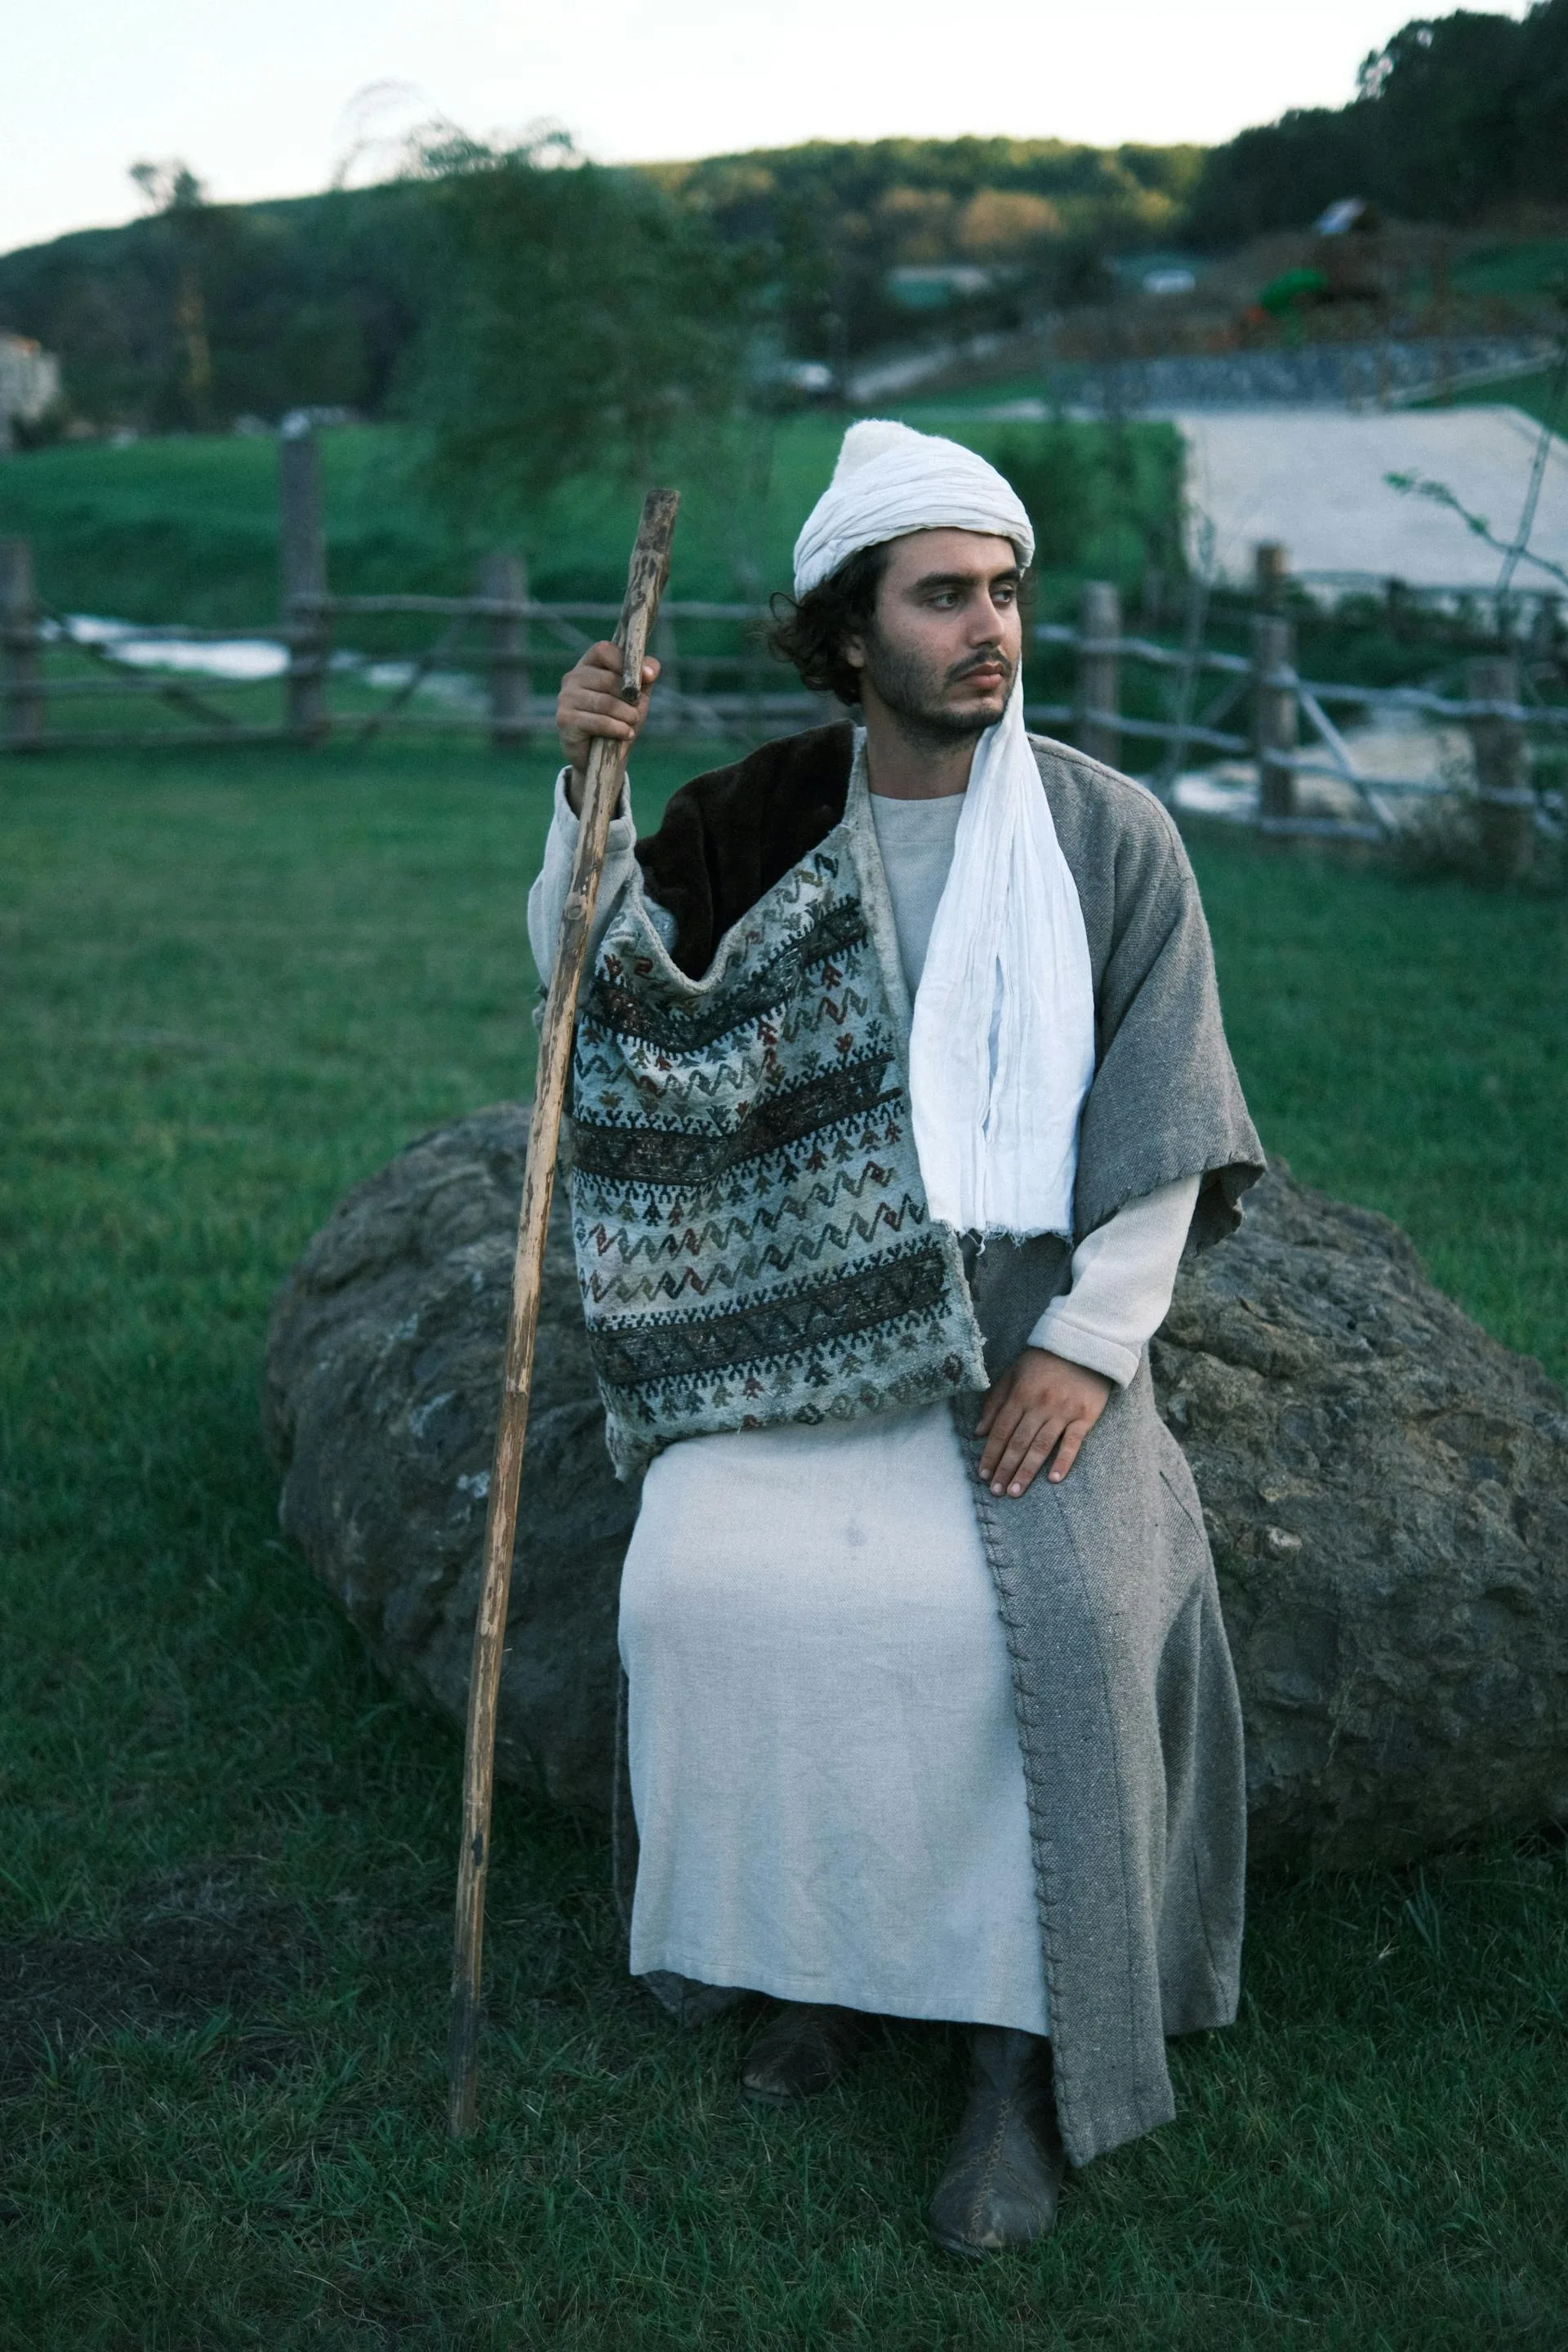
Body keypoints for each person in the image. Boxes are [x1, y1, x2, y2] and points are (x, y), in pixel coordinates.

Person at [528, 420, 1264, 2256]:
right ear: (852, 631)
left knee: (1069, 1616)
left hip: (1025, 1308)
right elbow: (588, 985)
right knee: (703, 1589)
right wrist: (583, 798)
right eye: (944, 597)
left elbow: (1169, 1124)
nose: (987, 628)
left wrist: (1090, 1348)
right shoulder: (752, 817)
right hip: (796, 1302)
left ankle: (1022, 2054)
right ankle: (814, 1966)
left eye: (1002, 591)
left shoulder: (1107, 832)